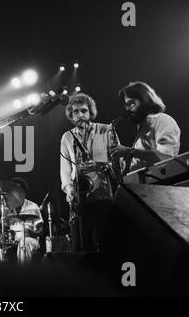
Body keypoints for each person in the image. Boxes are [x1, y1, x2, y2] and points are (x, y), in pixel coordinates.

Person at [60, 93, 115, 252]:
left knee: (107, 244)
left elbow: (119, 162)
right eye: (75, 111)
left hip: (104, 194)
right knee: (82, 247)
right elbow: (65, 169)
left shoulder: (106, 130)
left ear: (90, 112)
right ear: (71, 114)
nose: (80, 115)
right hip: (80, 197)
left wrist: (98, 164)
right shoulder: (67, 137)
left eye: (84, 110)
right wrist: (69, 189)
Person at [112, 81, 181, 172]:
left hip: (159, 183)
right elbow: (139, 162)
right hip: (141, 184)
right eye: (127, 105)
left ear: (145, 100)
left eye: (132, 103)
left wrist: (130, 152)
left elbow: (166, 157)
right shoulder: (142, 129)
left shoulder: (162, 120)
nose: (128, 109)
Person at [7, 177, 43, 264]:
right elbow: (3, 226)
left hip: (30, 240)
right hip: (12, 241)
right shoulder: (7, 208)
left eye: (19, 190)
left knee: (24, 243)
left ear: (24, 192)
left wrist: (30, 232)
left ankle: (23, 274)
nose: (16, 193)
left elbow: (41, 230)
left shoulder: (33, 206)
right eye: (14, 191)